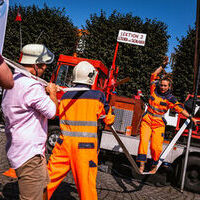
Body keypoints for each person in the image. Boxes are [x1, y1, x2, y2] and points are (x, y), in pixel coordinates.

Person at [45, 61, 115, 200]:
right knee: (86, 187)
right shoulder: (98, 96)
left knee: (48, 180)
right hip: (85, 149)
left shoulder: (65, 96)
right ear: (91, 77)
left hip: (63, 145)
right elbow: (108, 119)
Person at [1, 44, 58, 200]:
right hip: (29, 153)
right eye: (43, 64)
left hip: (21, 148)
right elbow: (53, 112)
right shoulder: (32, 86)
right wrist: (52, 93)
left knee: (44, 186)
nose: (45, 67)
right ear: (35, 64)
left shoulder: (14, 80)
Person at [137, 56, 197, 174]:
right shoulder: (154, 89)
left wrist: (191, 117)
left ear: (169, 87)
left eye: (165, 86)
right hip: (147, 120)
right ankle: (141, 164)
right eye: (162, 85)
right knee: (143, 142)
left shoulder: (171, 98)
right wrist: (163, 65)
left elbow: (180, 109)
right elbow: (154, 74)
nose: (163, 87)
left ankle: (154, 165)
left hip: (158, 124)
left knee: (156, 147)